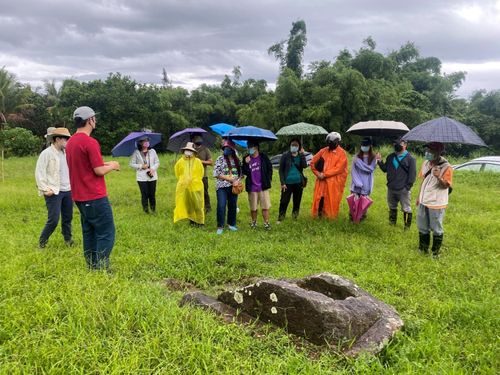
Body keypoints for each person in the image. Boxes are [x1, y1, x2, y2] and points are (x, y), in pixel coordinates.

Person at [65, 106, 120, 270]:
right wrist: (113, 165)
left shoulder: (71, 142)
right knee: (106, 232)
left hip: (79, 197)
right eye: (94, 118)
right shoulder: (90, 142)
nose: (95, 121)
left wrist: (106, 164)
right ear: (90, 120)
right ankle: (102, 267)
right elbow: (98, 170)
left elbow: (86, 166)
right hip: (94, 196)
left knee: (89, 231)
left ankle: (91, 265)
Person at [35, 127, 73, 248]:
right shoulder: (46, 154)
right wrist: (45, 189)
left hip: (68, 190)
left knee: (68, 218)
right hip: (54, 191)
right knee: (53, 220)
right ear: (57, 139)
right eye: (65, 139)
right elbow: (39, 172)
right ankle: (42, 242)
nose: (67, 141)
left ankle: (68, 239)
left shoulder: (67, 153)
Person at [416, 142, 453, 258]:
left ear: (438, 152)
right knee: (422, 226)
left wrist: (438, 177)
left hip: (436, 202)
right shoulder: (426, 163)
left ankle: (435, 253)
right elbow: (423, 181)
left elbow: (446, 186)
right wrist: (419, 197)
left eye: (430, 151)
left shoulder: (447, 167)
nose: (427, 153)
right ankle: (423, 249)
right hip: (423, 200)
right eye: (427, 150)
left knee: (436, 228)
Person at [376, 138, 417, 229]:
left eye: (399, 143)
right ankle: (392, 224)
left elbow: (412, 175)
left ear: (405, 144)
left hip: (403, 189)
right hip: (391, 187)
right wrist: (379, 161)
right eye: (395, 143)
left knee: (406, 208)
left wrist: (407, 188)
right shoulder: (390, 157)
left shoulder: (410, 159)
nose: (396, 145)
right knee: (392, 206)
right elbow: (385, 169)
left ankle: (406, 228)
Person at [310, 132, 348, 219]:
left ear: (338, 142)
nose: (330, 145)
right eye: (329, 143)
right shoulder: (323, 151)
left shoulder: (342, 153)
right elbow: (312, 163)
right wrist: (318, 174)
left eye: (332, 143)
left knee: (332, 199)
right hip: (321, 182)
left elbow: (339, 168)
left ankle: (330, 217)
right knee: (320, 198)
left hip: (333, 184)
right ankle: (318, 216)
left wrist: (325, 174)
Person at [242, 141, 273, 230]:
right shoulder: (246, 158)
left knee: (265, 206)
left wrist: (268, 179)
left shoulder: (263, 157)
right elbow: (244, 172)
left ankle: (266, 223)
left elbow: (269, 168)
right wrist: (246, 164)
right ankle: (254, 222)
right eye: (248, 147)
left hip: (263, 186)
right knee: (253, 207)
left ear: (256, 147)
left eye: (251, 146)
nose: (249, 149)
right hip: (252, 187)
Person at [213, 140, 242, 234]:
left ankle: (231, 224)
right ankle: (220, 226)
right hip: (221, 186)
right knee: (221, 205)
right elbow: (216, 173)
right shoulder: (220, 159)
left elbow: (241, 174)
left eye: (228, 148)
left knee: (233, 205)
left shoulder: (237, 160)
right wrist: (229, 179)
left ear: (233, 150)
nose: (226, 150)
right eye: (225, 148)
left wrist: (237, 181)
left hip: (234, 186)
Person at [174, 142, 205, 226]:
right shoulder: (180, 162)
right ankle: (192, 221)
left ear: (193, 152)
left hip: (196, 187)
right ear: (184, 151)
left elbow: (201, 173)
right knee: (189, 205)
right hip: (185, 187)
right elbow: (178, 173)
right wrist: (184, 181)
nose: (188, 152)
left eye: (190, 150)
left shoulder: (198, 161)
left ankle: (200, 222)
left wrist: (194, 180)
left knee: (198, 205)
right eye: (187, 150)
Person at [277, 138, 308, 223]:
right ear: (290, 146)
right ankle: (281, 218)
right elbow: (281, 170)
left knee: (297, 201)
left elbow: (304, 166)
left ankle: (294, 217)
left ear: (299, 147)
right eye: (292, 145)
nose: (294, 147)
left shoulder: (300, 155)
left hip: (298, 182)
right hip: (287, 183)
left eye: (296, 145)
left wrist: (302, 155)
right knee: (284, 201)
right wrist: (282, 182)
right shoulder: (285, 155)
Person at [129, 136, 160, 213]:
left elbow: (157, 162)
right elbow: (131, 164)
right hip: (141, 177)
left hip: (152, 176)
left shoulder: (152, 151)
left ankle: (153, 210)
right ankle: (146, 211)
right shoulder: (136, 152)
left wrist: (153, 169)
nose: (147, 142)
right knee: (144, 194)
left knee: (152, 194)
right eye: (144, 141)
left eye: (147, 141)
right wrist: (141, 166)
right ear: (140, 143)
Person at [349, 137, 377, 221]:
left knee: (364, 202)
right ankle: (352, 218)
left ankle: (362, 218)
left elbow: (371, 169)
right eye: (362, 145)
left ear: (370, 146)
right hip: (356, 184)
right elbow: (353, 172)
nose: (364, 147)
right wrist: (358, 183)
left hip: (367, 183)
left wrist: (358, 162)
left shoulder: (373, 157)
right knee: (354, 201)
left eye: (366, 145)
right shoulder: (356, 157)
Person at [192, 135, 213, 213]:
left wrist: (200, 161)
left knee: (205, 192)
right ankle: (195, 207)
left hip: (203, 175)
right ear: (193, 140)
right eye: (196, 138)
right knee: (193, 193)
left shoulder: (205, 149)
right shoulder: (190, 149)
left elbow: (211, 162)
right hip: (192, 175)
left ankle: (207, 208)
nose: (198, 140)